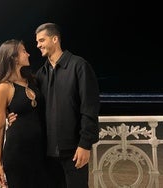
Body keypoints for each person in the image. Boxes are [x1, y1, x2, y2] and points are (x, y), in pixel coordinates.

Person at [8, 23, 100, 188]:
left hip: (74, 152)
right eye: (37, 41)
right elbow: (31, 103)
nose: (38, 45)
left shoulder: (79, 66)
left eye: (42, 40)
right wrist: (13, 114)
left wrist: (85, 144)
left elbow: (90, 108)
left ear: (55, 39)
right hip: (46, 154)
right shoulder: (41, 74)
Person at [0, 39, 47, 188]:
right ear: (13, 57)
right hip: (17, 154)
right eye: (24, 51)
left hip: (39, 151)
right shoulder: (4, 87)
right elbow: (0, 127)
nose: (28, 53)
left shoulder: (32, 81)